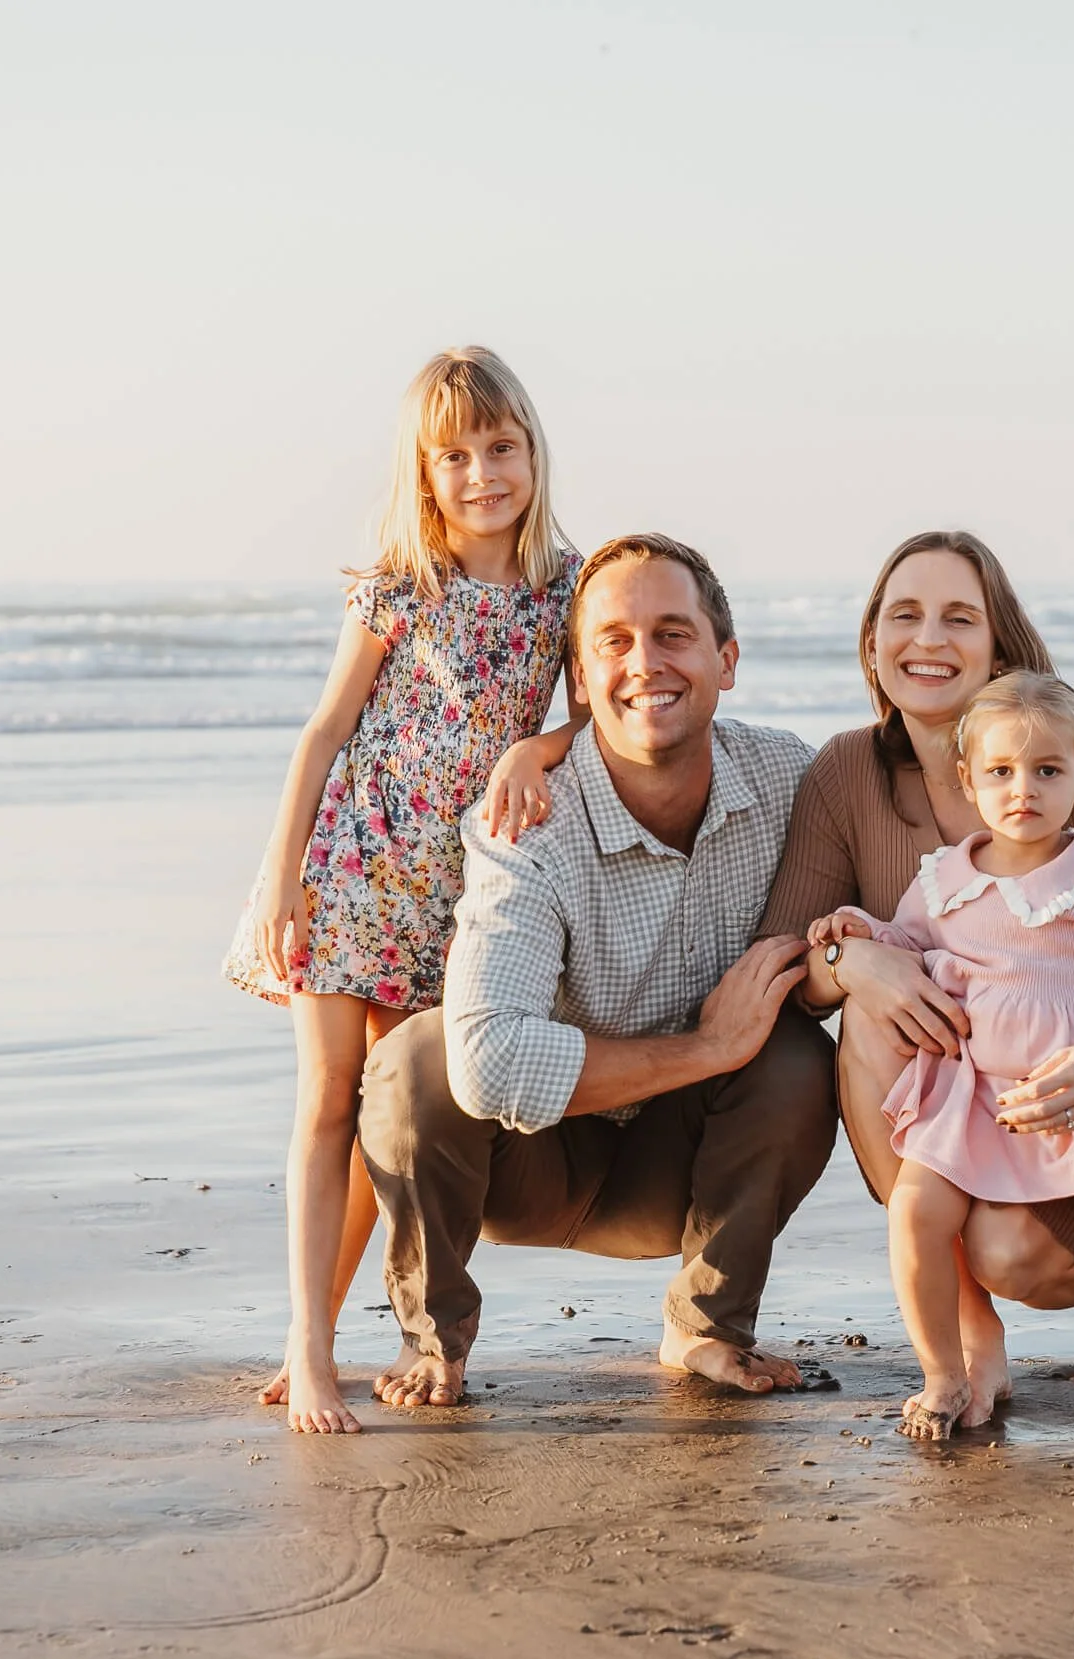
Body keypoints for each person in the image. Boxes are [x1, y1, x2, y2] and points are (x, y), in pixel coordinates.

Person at [759, 530, 1074, 1421]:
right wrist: (854, 957)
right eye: (904, 615)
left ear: (998, 644)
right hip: (981, 1105)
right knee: (876, 1010)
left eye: (959, 617)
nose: (929, 639)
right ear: (872, 642)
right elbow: (785, 960)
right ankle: (972, 1348)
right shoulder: (847, 775)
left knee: (1029, 1245)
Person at [356, 534, 835, 1409]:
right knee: (416, 1062)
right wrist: (707, 1046)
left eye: (673, 634)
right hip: (529, 1167)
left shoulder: (788, 778)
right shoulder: (528, 820)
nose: (644, 661)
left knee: (797, 1055)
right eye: (612, 640)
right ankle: (435, 1339)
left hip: (685, 1168)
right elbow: (490, 1064)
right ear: (580, 681)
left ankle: (707, 1327)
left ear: (726, 660)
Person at [221, 347, 583, 1434]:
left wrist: (541, 747)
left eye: (500, 447)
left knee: (391, 1115)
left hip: (460, 890)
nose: (482, 473)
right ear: (424, 473)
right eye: (455, 455)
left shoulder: (565, 585)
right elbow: (325, 730)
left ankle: (346, 1324)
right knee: (326, 1099)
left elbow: (605, 709)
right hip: (355, 867)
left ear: (532, 452)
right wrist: (280, 879)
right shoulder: (400, 583)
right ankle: (309, 1341)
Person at [809, 673, 1074, 1442]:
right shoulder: (944, 879)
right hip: (974, 1093)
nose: (1025, 789)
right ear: (969, 781)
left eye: (1048, 770)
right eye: (1002, 772)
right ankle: (947, 1371)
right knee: (917, 1208)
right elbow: (906, 945)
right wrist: (858, 932)